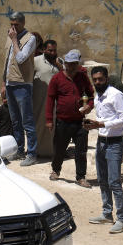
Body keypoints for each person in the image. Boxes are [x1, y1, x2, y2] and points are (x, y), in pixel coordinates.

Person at [85, 66, 123, 234]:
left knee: (114, 182)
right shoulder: (98, 97)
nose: (97, 82)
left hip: (115, 143)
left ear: (107, 79)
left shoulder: (116, 95)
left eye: (100, 79)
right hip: (101, 141)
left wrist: (101, 124)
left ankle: (122, 219)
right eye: (94, 79)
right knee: (102, 179)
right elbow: (103, 119)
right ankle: (106, 213)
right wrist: (93, 125)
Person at [46, 49, 94, 187]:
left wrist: (89, 106)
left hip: (80, 122)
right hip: (62, 121)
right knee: (59, 148)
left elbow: (91, 96)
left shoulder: (83, 77)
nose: (72, 67)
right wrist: (49, 120)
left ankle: (81, 177)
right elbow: (50, 100)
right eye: (69, 64)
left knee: (81, 151)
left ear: (78, 64)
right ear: (65, 63)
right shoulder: (57, 79)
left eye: (74, 64)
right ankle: (56, 170)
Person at [2, 12, 39, 166]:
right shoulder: (10, 37)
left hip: (23, 84)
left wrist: (15, 40)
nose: (13, 27)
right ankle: (19, 149)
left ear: (23, 23)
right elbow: (7, 60)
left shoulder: (30, 39)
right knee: (15, 121)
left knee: (27, 121)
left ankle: (32, 153)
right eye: (11, 24)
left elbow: (21, 58)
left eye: (16, 24)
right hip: (10, 83)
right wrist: (4, 83)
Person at [33, 39, 61, 160]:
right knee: (40, 123)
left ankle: (52, 151)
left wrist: (59, 65)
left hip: (56, 100)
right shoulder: (36, 61)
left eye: (54, 50)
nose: (52, 53)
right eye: (50, 50)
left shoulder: (59, 62)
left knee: (54, 125)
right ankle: (38, 150)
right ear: (44, 50)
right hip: (39, 98)